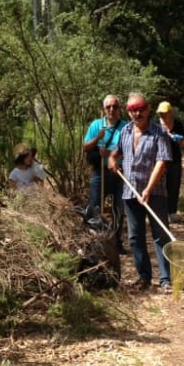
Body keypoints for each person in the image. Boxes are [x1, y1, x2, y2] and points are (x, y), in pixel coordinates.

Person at [109, 93, 173, 293]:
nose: (137, 113)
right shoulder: (126, 131)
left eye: (141, 109)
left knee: (160, 235)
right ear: (129, 112)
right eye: (133, 110)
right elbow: (116, 153)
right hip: (130, 192)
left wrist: (148, 189)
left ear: (148, 109)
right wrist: (112, 160)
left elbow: (162, 162)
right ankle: (144, 277)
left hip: (155, 193)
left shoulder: (159, 132)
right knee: (135, 238)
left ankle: (165, 279)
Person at [83, 94, 128, 252]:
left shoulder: (126, 127)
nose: (111, 110)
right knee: (94, 207)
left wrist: (110, 153)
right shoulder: (96, 125)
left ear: (119, 109)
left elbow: (131, 151)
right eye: (108, 107)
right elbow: (85, 146)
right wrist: (97, 138)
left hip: (119, 172)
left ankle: (116, 242)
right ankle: (96, 241)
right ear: (104, 109)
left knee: (119, 209)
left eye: (115, 106)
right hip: (99, 172)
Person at [156, 101, 184, 221]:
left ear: (170, 112)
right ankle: (161, 211)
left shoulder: (177, 124)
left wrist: (178, 139)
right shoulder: (156, 125)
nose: (163, 115)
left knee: (174, 186)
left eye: (165, 113)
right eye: (161, 113)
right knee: (160, 186)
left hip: (175, 160)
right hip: (160, 160)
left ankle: (172, 211)